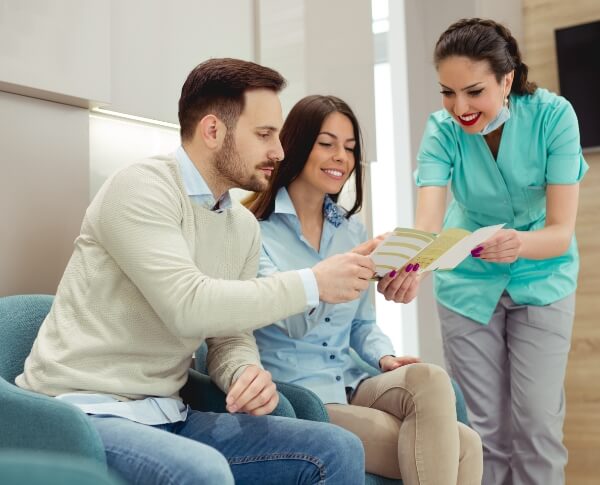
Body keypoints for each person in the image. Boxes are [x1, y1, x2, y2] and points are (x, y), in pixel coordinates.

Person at [16, 58, 374, 485]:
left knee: (336, 448)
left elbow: (229, 335)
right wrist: (312, 283)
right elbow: (188, 306)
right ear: (212, 131)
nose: (279, 151)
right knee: (201, 471)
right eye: (264, 135)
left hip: (169, 413)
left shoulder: (240, 226)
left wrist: (242, 371)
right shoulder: (141, 188)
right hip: (83, 413)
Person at [246, 94, 483, 485]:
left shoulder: (350, 230)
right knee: (464, 447)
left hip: (352, 381)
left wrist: (385, 357)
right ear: (297, 145)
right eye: (327, 143)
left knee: (431, 379)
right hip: (302, 396)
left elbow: (362, 325)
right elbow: (291, 322)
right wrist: (333, 275)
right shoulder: (254, 231)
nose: (341, 156)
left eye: (350, 148)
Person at [413, 18, 589, 485]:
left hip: (542, 276)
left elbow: (559, 231)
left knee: (537, 425)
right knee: (482, 432)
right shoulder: (441, 130)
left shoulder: (554, 117)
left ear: (506, 79)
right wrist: (408, 263)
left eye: (473, 92)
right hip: (467, 282)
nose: (460, 108)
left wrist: (518, 244)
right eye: (448, 93)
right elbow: (427, 225)